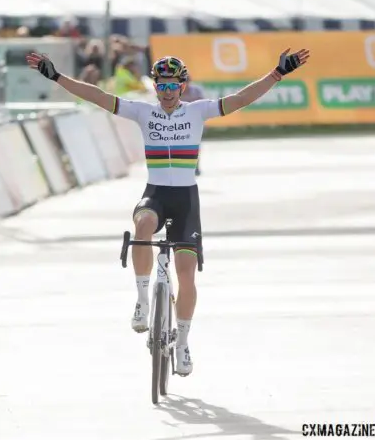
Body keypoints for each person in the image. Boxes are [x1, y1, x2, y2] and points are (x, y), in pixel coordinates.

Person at [26, 48, 309, 376]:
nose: (166, 93)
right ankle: (142, 301)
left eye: (172, 86)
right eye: (160, 86)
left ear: (183, 86)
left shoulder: (198, 111)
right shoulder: (144, 112)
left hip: (186, 200)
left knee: (186, 273)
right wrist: (57, 76)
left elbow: (242, 98)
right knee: (143, 225)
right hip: (157, 194)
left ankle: (184, 342)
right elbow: (99, 97)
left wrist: (277, 73)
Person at [179, 76, 207, 176]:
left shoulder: (196, 90)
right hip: (179, 122)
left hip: (195, 122)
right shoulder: (175, 91)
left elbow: (202, 103)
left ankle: (196, 165)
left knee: (195, 145)